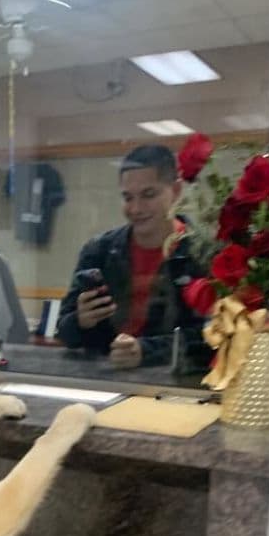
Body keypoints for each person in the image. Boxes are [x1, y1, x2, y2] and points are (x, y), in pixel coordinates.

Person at [56, 144, 211, 370]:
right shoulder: (98, 251)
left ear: (176, 191)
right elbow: (65, 333)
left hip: (175, 389)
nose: (136, 208)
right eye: (128, 197)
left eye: (148, 195)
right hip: (103, 382)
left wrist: (147, 352)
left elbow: (215, 338)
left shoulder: (204, 253)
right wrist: (80, 320)